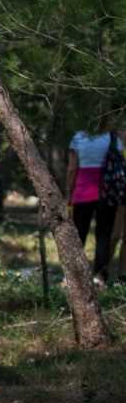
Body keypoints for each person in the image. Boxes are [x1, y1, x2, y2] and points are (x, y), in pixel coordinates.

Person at [66, 122, 119, 284]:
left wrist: (68, 193)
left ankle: (74, 277)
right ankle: (100, 277)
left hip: (82, 193)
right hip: (107, 193)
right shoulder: (112, 137)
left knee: (78, 236)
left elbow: (72, 169)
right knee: (103, 236)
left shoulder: (78, 137)